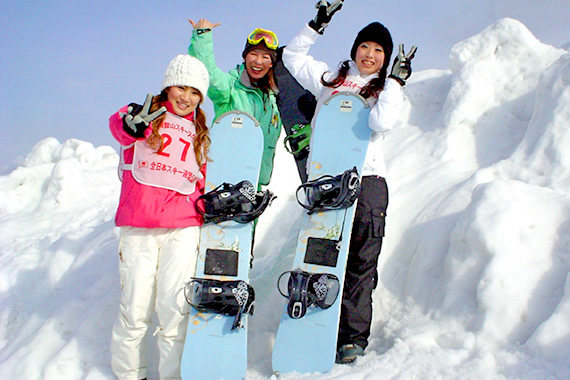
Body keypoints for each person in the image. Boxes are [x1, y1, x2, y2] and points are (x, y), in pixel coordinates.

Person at [282, 1, 416, 364]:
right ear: (354, 49)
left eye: (378, 51)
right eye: (365, 47)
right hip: (327, 181)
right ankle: (311, 325)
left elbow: (380, 124)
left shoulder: (383, 90)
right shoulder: (330, 81)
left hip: (368, 181)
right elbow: (292, 57)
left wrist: (395, 82)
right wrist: (317, 23)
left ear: (385, 58)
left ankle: (351, 338)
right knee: (321, 257)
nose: (370, 55)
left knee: (360, 263)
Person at [109, 54, 210, 380]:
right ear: (167, 87)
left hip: (182, 228)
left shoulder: (201, 132)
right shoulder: (143, 113)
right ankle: (129, 375)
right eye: (180, 87)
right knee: (135, 310)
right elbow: (119, 125)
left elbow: (203, 178)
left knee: (174, 311)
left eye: (195, 92)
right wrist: (132, 124)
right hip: (140, 225)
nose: (186, 97)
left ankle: (171, 376)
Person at [187, 19, 281, 187]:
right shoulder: (230, 87)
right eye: (253, 54)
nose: (258, 61)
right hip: (224, 178)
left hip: (255, 182)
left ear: (272, 63)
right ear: (245, 57)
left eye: (265, 57)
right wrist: (202, 37)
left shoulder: (274, 100)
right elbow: (207, 72)